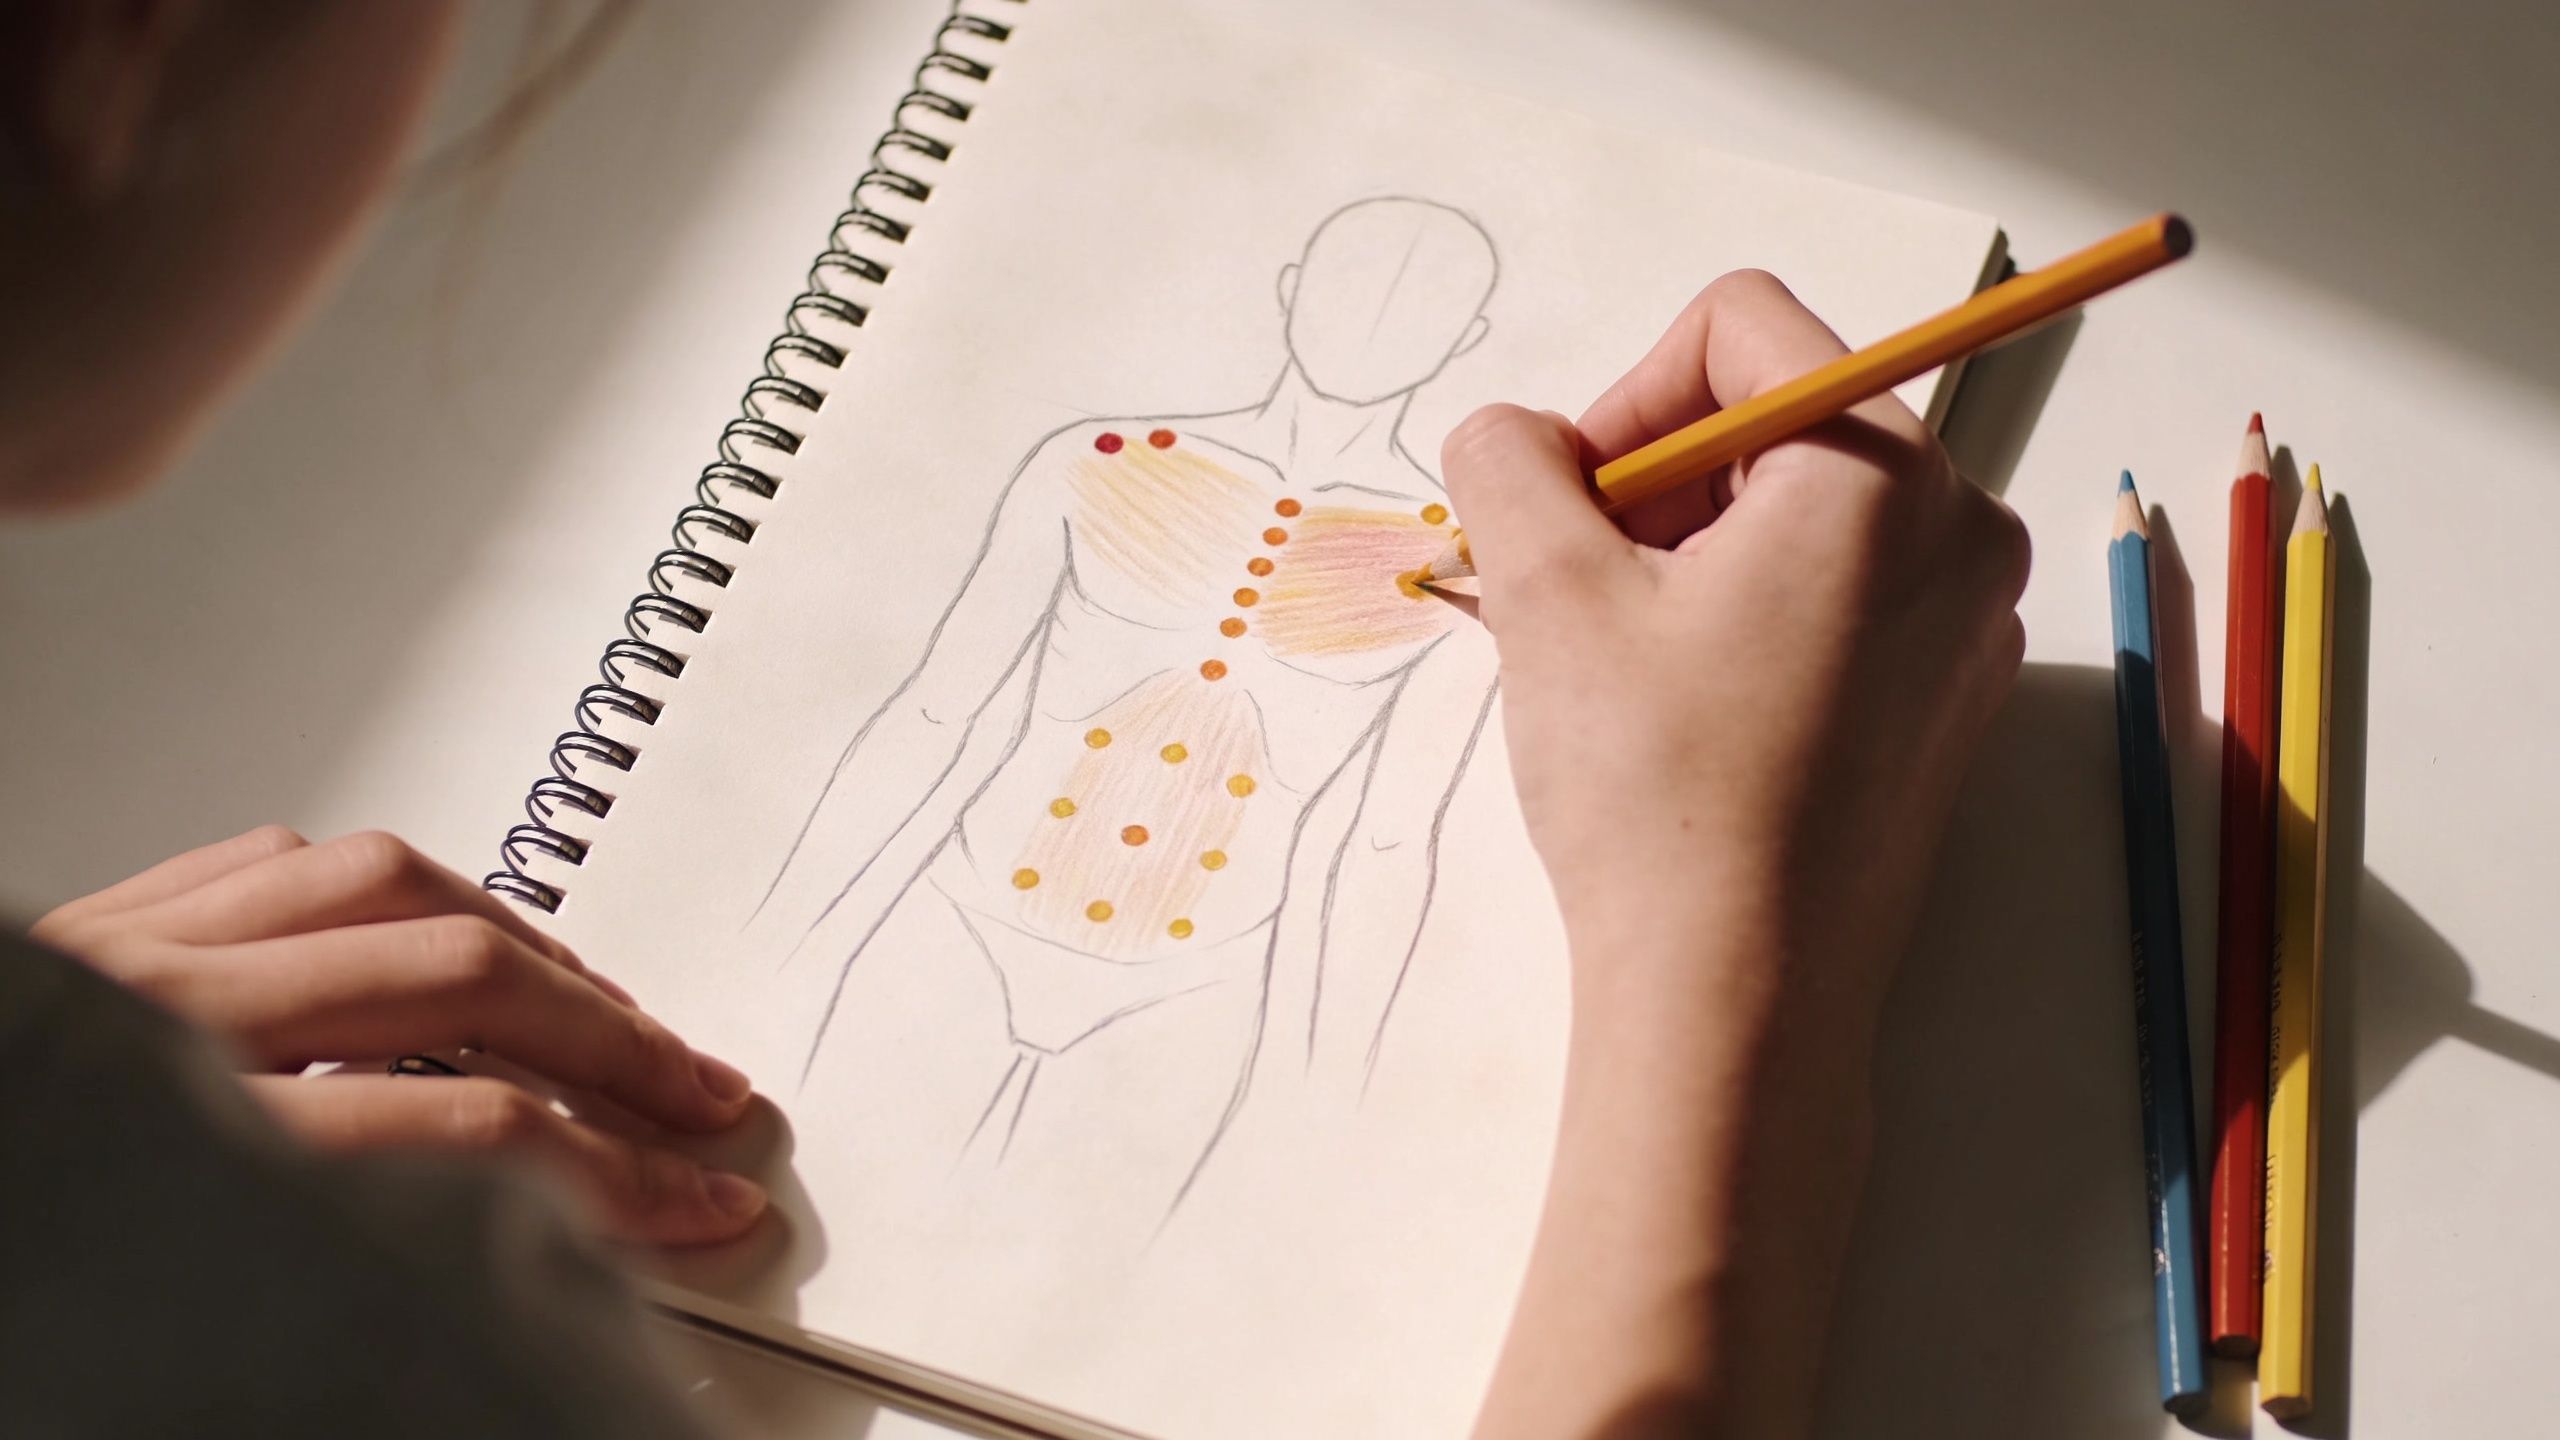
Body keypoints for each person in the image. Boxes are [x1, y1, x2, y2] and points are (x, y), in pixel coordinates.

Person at [1, 4, 2027, 1438]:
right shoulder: (330, 1341)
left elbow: (1358, 841)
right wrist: (1734, 938)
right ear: (124, 46)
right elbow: (946, 723)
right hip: (990, 911)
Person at [753, 196, 1503, 1216]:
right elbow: (937, 709)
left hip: (1195, 994)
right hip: (954, 930)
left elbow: (1389, 841)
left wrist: (1335, 1100)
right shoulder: (1102, 459)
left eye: (1418, 304)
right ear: (1290, 287)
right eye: (1349, 280)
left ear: (1467, 340)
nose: (1372, 319)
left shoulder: (1459, 562)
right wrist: (778, 936)